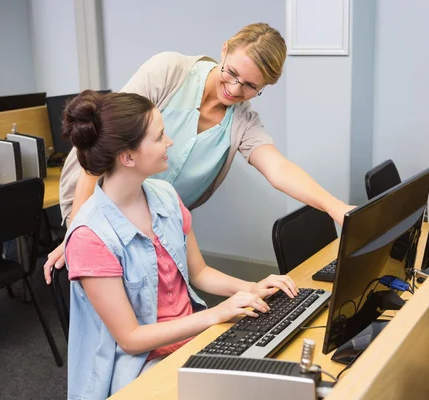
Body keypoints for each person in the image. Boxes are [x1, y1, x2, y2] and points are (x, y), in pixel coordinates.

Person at [44, 22, 353, 283]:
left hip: (152, 219)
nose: (234, 89)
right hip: (94, 197)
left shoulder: (242, 121)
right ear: (224, 50)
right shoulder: (169, 71)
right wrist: (79, 228)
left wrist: (336, 207)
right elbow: (103, 138)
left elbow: (279, 170)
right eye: (231, 72)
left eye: (249, 86)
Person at [62, 90, 298, 399]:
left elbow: (199, 272)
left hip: (191, 341)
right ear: (128, 156)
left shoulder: (164, 196)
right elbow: (131, 338)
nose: (169, 142)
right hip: (138, 367)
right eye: (159, 137)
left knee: (279, 375)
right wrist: (215, 314)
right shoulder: (89, 236)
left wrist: (251, 288)